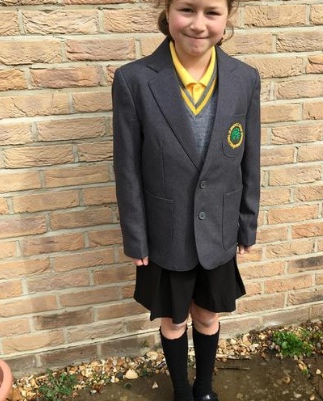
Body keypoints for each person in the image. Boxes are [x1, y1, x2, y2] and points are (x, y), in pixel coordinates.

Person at [112, 0, 261, 398]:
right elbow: (127, 168)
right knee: (174, 319)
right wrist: (136, 237)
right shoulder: (134, 80)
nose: (198, 24)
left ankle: (204, 387)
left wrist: (247, 222)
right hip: (166, 233)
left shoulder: (245, 79)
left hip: (219, 230)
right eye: (187, 9)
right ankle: (181, 390)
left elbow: (250, 158)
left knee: (208, 314)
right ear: (167, 10)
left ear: (227, 16)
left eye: (212, 12)